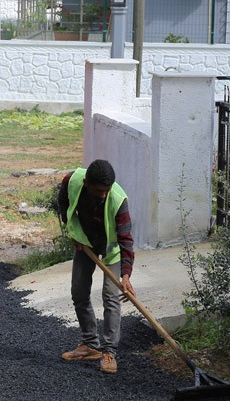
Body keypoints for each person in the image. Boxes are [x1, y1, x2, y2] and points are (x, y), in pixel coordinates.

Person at [57, 159, 136, 373]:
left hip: (111, 250)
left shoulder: (118, 200)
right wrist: (72, 230)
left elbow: (126, 240)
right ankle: (91, 345)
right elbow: (62, 202)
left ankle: (109, 352)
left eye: (106, 190)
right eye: (98, 191)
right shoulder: (71, 181)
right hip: (85, 243)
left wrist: (126, 276)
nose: (103, 195)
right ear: (86, 183)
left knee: (111, 298)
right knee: (79, 292)